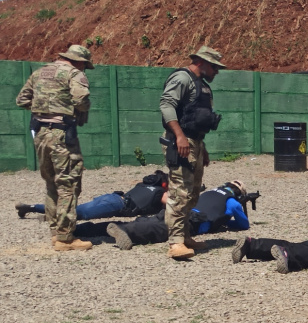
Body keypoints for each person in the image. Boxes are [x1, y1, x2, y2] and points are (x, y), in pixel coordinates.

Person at [15, 45, 94, 251]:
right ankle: (65, 237)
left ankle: (54, 232)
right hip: (62, 134)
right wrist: (73, 109)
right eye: (85, 64)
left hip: (40, 133)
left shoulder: (40, 72)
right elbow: (81, 100)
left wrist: (44, 109)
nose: (84, 68)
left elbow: (21, 100)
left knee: (51, 183)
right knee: (68, 183)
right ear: (79, 61)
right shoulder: (74, 74)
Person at [160, 46, 225, 259]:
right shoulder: (182, 78)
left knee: (193, 192)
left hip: (194, 142)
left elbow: (197, 117)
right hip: (180, 140)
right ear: (201, 62)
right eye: (214, 66)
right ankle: (176, 242)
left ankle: (186, 236)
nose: (216, 71)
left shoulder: (201, 86)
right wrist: (179, 136)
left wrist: (202, 148)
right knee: (180, 192)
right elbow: (167, 105)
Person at [77, 181, 250, 251]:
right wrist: (227, 224)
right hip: (192, 222)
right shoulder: (232, 202)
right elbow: (243, 225)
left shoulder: (210, 192)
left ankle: (83, 229)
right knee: (155, 229)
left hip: (175, 211)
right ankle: (125, 231)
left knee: (147, 220)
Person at [15, 170, 169, 221]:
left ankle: (38, 209)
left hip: (112, 197)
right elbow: (175, 204)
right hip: (116, 204)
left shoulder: (143, 185)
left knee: (75, 209)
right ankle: (36, 209)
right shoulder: (160, 193)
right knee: (77, 213)